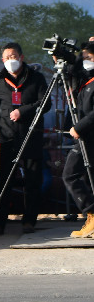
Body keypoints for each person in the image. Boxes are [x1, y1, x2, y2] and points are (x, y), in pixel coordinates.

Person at [0, 42, 51, 235]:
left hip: (31, 136)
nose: (10, 61)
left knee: (33, 181)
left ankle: (29, 221)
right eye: (6, 58)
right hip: (7, 138)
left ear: (21, 57)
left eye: (13, 56)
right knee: (5, 181)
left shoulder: (36, 78)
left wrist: (23, 111)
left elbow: (45, 103)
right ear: (2, 60)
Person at [64, 42, 94, 238]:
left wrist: (78, 127)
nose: (86, 61)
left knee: (70, 174)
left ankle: (91, 213)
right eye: (84, 57)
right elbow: (70, 75)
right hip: (85, 137)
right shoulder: (86, 80)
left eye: (90, 57)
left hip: (88, 136)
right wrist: (67, 58)